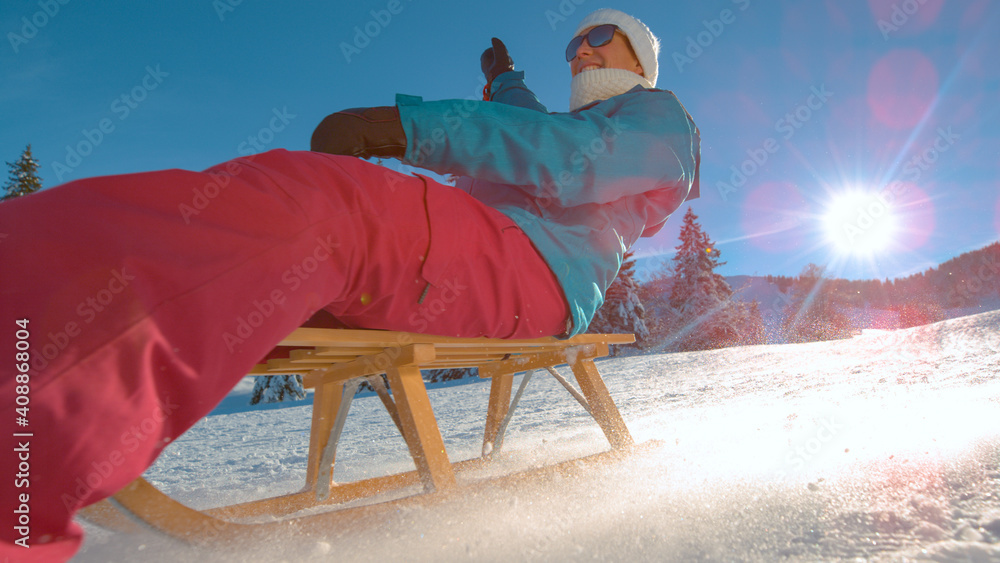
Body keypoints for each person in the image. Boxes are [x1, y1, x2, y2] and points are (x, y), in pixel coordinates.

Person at [0, 8, 698, 561]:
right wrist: (506, 78)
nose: (580, 50)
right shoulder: (572, 123)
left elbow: (569, 157)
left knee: (326, 211)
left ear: (642, 57)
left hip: (534, 271)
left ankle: (28, 425)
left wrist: (410, 127)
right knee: (266, 254)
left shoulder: (656, 120)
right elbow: (533, 127)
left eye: (601, 37)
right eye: (574, 41)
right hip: (487, 252)